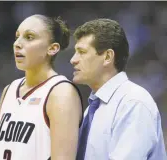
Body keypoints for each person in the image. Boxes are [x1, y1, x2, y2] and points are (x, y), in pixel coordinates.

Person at [70, 18, 167, 160]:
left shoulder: (133, 102)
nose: (73, 59)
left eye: (82, 52)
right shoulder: (93, 108)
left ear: (108, 57)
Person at [0, 14, 83, 160]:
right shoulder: (9, 90)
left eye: (29, 37)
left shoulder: (60, 92)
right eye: (17, 36)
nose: (17, 43)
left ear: (52, 48)